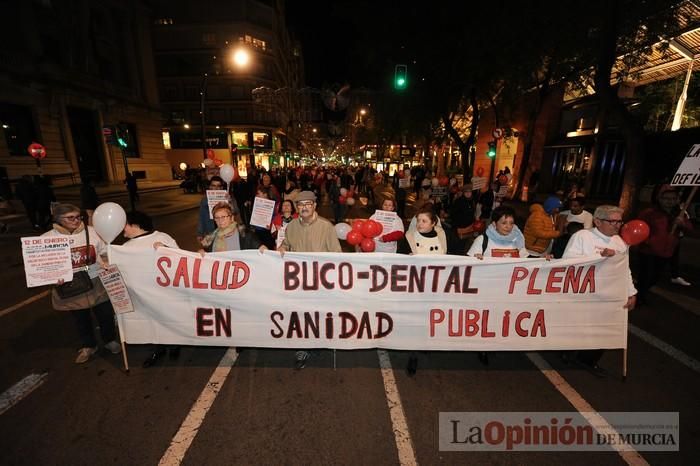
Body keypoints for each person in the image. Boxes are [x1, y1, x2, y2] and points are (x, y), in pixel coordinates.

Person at [562, 205, 637, 378]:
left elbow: (625, 270)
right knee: (579, 326)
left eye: (620, 221)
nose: (617, 225)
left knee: (606, 328)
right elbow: (568, 263)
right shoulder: (582, 236)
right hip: (584, 294)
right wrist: (599, 258)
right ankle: (568, 352)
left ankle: (588, 359)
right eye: (613, 221)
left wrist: (631, 293)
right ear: (597, 221)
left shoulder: (620, 242)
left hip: (609, 294)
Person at [43, 203, 121, 363]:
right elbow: (42, 266)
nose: (76, 220)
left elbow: (105, 252)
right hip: (70, 286)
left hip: (96, 281)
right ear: (58, 219)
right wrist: (51, 277)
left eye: (79, 216)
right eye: (70, 217)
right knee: (81, 319)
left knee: (105, 314)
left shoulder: (93, 232)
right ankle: (89, 346)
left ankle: (110, 341)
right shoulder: (46, 239)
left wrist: (105, 262)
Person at [275, 191, 342, 369]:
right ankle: (302, 348)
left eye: (308, 204)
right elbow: (287, 244)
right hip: (299, 282)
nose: (304, 207)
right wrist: (282, 247)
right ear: (297, 208)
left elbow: (337, 254)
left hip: (321, 281)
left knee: (319, 315)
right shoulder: (291, 227)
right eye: (300, 205)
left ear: (314, 206)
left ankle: (320, 341)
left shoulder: (326, 226)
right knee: (300, 315)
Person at [122, 211, 181, 367]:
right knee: (149, 322)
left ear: (134, 224)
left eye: (125, 225)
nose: (122, 229)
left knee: (168, 319)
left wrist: (166, 249)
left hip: (165, 293)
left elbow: (180, 260)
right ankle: (157, 349)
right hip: (141, 296)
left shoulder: (161, 237)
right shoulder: (125, 247)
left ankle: (174, 345)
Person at [636, 185, 693, 299]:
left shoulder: (680, 214)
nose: (669, 202)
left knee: (655, 277)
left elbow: (690, 229)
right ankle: (638, 298)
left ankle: (641, 294)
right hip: (648, 252)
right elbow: (638, 229)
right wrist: (647, 242)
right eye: (666, 199)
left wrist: (683, 223)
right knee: (645, 277)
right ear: (659, 199)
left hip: (666, 252)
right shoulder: (649, 213)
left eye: (673, 199)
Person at [199, 202, 266, 254]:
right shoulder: (210, 238)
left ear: (232, 218)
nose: (220, 220)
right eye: (217, 218)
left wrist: (265, 251)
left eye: (224, 217)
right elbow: (206, 254)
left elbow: (261, 249)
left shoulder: (245, 235)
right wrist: (201, 252)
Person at [197, 176, 239, 244]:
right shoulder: (204, 200)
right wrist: (200, 233)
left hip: (227, 231)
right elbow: (201, 217)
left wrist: (230, 202)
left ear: (221, 187)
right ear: (210, 187)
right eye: (213, 185)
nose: (216, 188)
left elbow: (236, 212)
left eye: (218, 186)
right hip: (210, 231)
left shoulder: (227, 197)